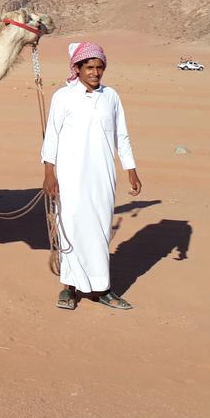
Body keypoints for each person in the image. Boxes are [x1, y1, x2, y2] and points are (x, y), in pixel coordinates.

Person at [41, 41, 142, 311]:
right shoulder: (63, 97)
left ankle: (103, 288)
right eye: (89, 67)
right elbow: (52, 135)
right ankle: (69, 288)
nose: (95, 73)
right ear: (77, 68)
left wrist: (130, 169)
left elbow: (122, 134)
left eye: (99, 68)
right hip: (70, 174)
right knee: (70, 226)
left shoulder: (111, 97)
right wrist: (49, 172)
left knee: (99, 229)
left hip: (102, 174)